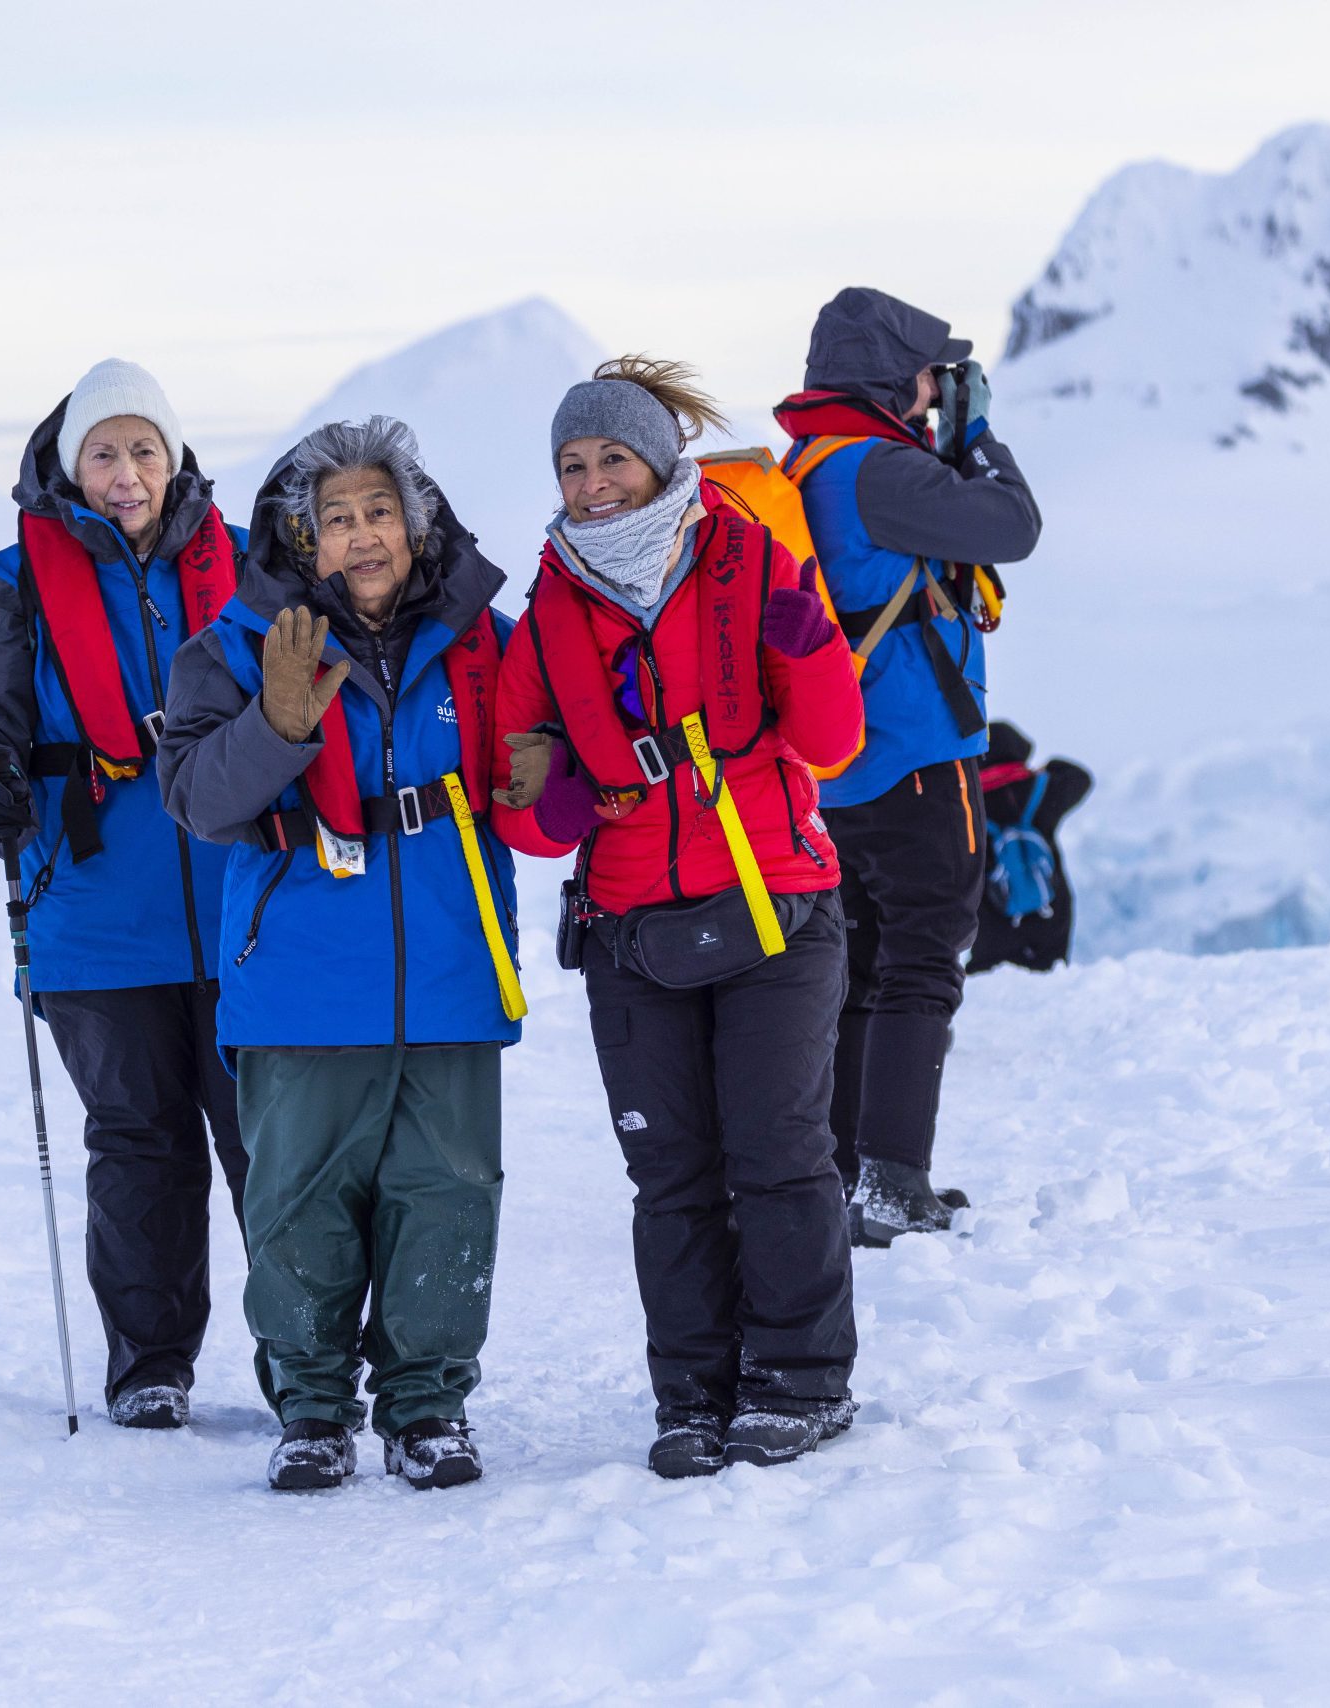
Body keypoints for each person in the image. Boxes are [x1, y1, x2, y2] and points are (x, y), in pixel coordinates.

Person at [491, 357, 865, 1479]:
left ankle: (799, 1384)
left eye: (612, 457)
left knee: (781, 1155)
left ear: (660, 461)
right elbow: (529, 824)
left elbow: (832, 745)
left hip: (776, 912)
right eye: (573, 463)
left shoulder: (753, 564)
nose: (593, 481)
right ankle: (692, 1396)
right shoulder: (545, 611)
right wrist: (559, 788)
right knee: (672, 1176)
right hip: (631, 934)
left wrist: (807, 642)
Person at [157, 416, 523, 1494]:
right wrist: (274, 723)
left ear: (416, 526)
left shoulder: (485, 638)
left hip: (452, 969)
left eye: (380, 513)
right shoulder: (231, 644)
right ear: (297, 538)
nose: (363, 538)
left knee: (447, 1194)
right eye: (336, 520)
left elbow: (538, 786)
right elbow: (197, 803)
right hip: (299, 976)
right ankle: (312, 1408)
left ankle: (427, 1406)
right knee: (299, 1206)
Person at [0, 359, 247, 1430]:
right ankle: (148, 1366)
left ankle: (312, 1364)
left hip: (245, 907)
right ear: (70, 466)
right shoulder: (14, 581)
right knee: (138, 1145)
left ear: (174, 459)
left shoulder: (246, 567)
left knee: (279, 1149)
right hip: (95, 916)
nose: (124, 473)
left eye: (142, 450)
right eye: (103, 453)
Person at [777, 289, 1044, 1249]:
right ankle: (892, 1182)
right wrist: (976, 437)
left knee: (854, 972)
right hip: (920, 761)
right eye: (932, 373)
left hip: (834, 767)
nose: (939, 389)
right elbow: (1012, 527)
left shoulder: (807, 465)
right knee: (922, 963)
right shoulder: (881, 470)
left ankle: (851, 1171)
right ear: (894, 375)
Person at [968, 719, 1092, 975]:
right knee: (1049, 975)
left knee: (988, 976)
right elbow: (1081, 777)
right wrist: (1047, 768)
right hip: (1049, 909)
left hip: (993, 917)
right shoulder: (1042, 790)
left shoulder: (968, 806)